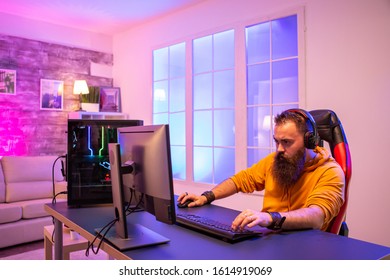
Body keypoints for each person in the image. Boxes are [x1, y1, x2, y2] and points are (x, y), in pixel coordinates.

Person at [177, 109, 345, 232]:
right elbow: (240, 180)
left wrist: (270, 218)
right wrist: (206, 197)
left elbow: (316, 216)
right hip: (272, 238)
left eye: (286, 142)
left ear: (310, 141)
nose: (279, 148)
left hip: (304, 247)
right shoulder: (275, 160)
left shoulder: (330, 172)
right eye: (276, 141)